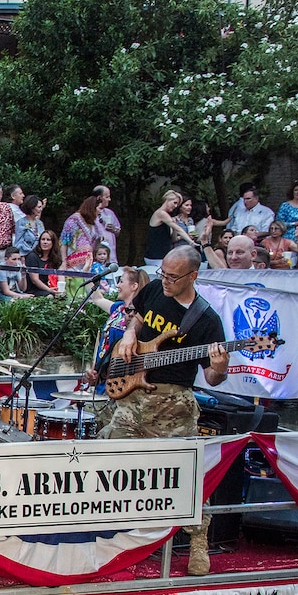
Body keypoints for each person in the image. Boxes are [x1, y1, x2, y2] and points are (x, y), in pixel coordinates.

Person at [102, 246, 232, 575]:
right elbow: (138, 314)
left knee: (183, 475)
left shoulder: (206, 320)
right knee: (114, 465)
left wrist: (221, 367)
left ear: (193, 276)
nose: (166, 282)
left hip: (173, 403)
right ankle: (124, 536)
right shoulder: (154, 289)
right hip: (132, 398)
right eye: (163, 273)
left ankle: (198, 540)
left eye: (173, 277)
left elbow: (213, 378)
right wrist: (131, 333)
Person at [82, 265, 149, 388]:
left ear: (134, 286)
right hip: (101, 375)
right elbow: (97, 298)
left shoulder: (141, 315)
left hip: (121, 382)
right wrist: (86, 273)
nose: (117, 285)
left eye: (121, 281)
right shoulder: (118, 308)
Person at [145, 190, 196, 264]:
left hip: (163, 255)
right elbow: (178, 229)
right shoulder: (161, 213)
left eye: (177, 204)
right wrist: (191, 242)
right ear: (168, 200)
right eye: (174, 203)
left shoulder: (166, 216)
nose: (175, 206)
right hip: (155, 255)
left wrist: (174, 226)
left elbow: (173, 238)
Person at [60, 195, 102, 272]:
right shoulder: (73, 221)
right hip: (73, 263)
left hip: (88, 263)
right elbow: (64, 242)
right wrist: (64, 261)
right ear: (92, 208)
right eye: (99, 208)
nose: (100, 211)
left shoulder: (94, 223)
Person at [25, 230, 62, 295]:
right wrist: (49, 290)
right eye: (43, 239)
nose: (45, 242)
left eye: (48, 240)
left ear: (53, 242)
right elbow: (35, 280)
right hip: (36, 290)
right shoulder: (32, 256)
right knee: (49, 297)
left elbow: (60, 275)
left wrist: (61, 289)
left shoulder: (55, 258)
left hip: (51, 288)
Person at [92, 185, 122, 264]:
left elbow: (118, 231)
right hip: (96, 258)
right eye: (107, 197)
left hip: (111, 258)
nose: (109, 199)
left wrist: (113, 229)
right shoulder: (89, 214)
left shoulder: (110, 213)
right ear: (99, 198)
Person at [276, 180, 298, 247]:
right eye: (296, 190)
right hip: (290, 238)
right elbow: (278, 223)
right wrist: (295, 223)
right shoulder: (285, 205)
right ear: (292, 191)